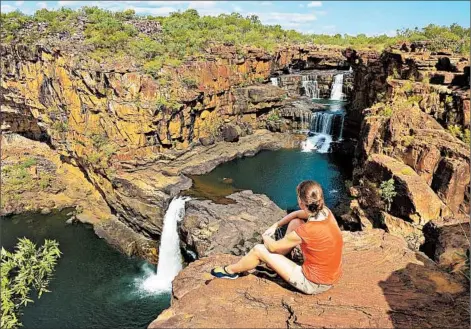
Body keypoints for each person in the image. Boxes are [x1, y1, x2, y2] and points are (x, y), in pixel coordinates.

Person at [211, 180, 343, 295]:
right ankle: (274, 265)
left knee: (258, 249)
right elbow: (297, 214)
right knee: (295, 222)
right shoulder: (325, 211)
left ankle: (230, 271)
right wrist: (276, 225)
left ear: (301, 202)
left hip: (313, 283)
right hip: (330, 276)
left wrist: (265, 236)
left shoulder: (308, 230)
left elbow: (272, 246)